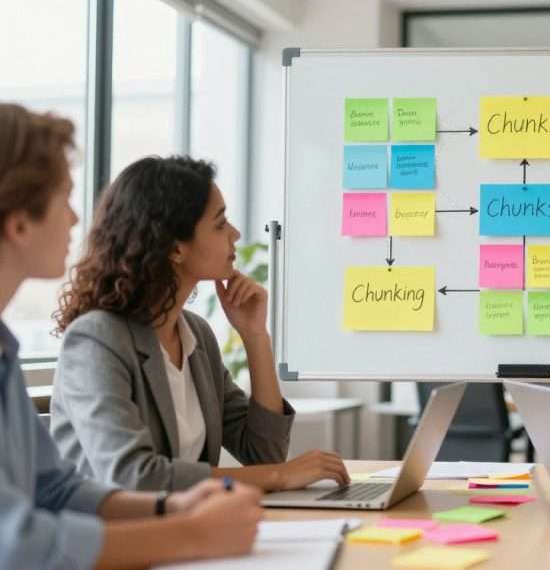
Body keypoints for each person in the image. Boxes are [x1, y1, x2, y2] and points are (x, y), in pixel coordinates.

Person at [0, 102, 262, 570]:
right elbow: (16, 544)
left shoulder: (5, 349)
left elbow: (55, 489)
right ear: (19, 224)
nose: (78, 220)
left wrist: (170, 508)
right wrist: (190, 534)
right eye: (64, 199)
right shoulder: (97, 337)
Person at [50, 155, 350, 492]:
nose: (234, 234)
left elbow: (264, 454)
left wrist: (255, 337)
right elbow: (133, 475)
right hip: (114, 538)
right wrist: (279, 476)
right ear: (175, 248)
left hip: (184, 529)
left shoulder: (195, 336)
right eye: (220, 224)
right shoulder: (97, 339)